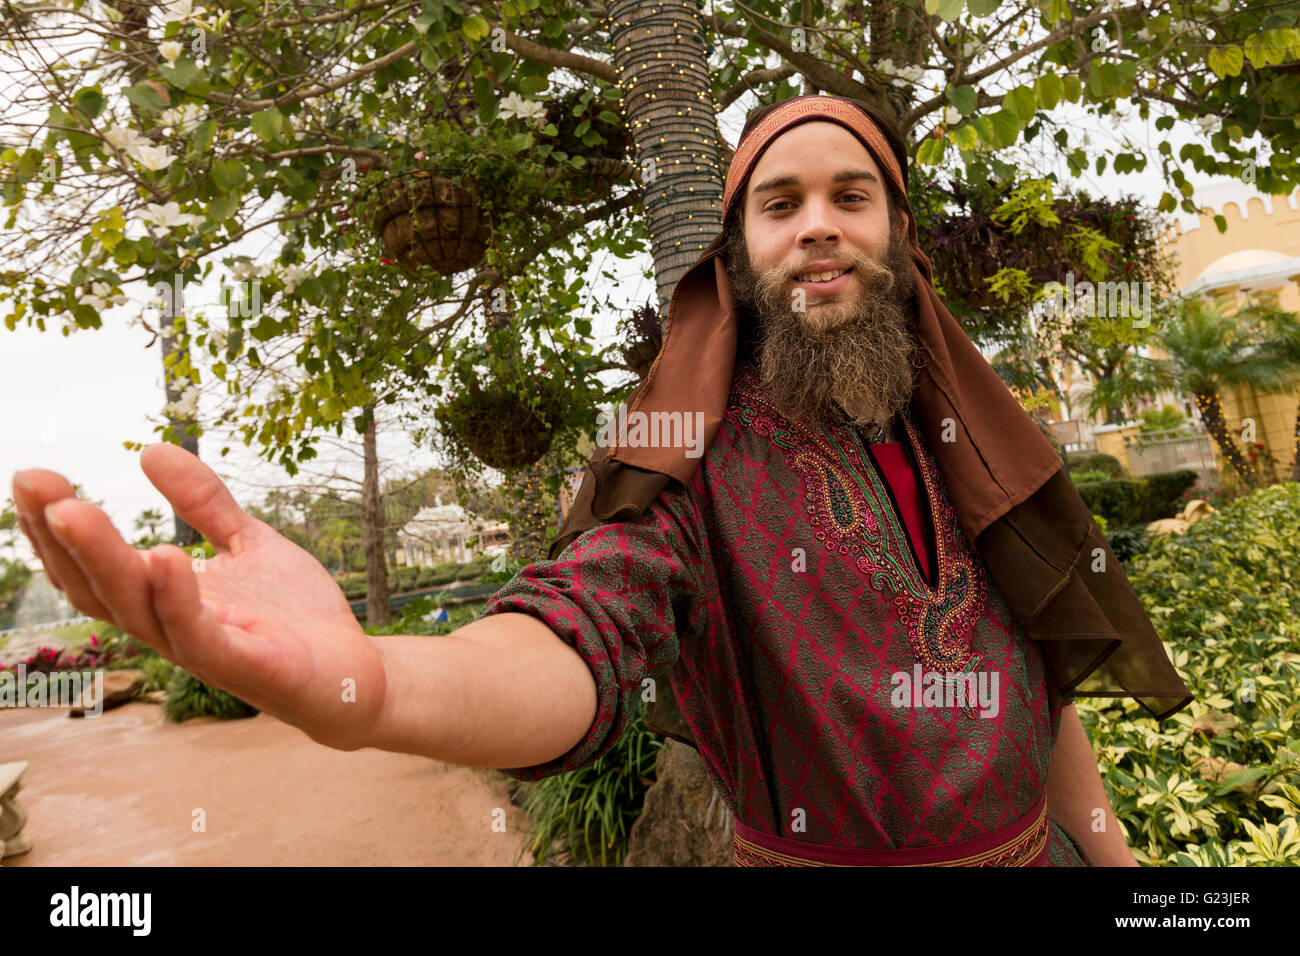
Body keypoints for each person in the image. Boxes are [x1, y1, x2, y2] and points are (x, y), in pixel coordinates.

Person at [11, 94, 1191, 867]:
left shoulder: (972, 437)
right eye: (780, 205)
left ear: (896, 234)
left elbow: (1034, 672)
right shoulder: (688, 461)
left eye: (851, 196)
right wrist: (374, 683)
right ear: (740, 257)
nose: (818, 225)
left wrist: (1118, 861)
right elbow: (582, 622)